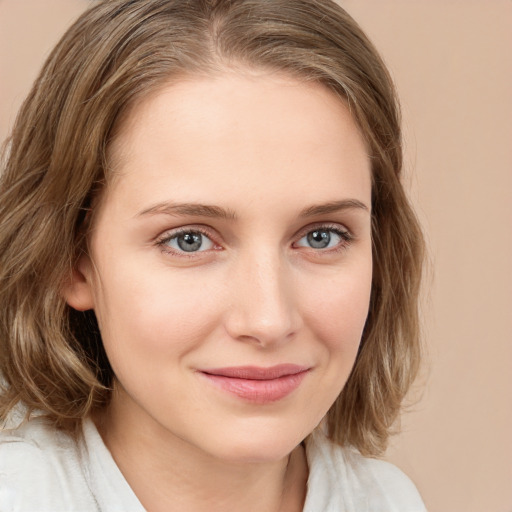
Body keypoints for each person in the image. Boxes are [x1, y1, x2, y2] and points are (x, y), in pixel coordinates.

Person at [0, 0, 427, 510]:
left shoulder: (388, 500)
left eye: (321, 236)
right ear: (70, 259)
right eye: (189, 240)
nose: (268, 320)